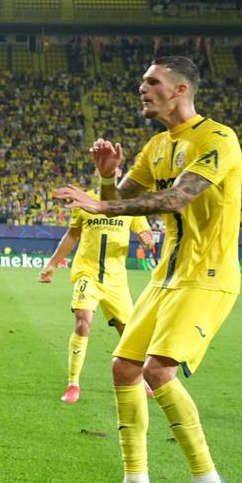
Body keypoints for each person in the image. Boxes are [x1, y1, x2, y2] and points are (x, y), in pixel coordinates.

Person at [54, 56, 241, 483]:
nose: (142, 87)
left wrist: (101, 200)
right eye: (142, 80)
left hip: (208, 274)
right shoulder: (157, 145)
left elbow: (179, 197)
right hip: (165, 275)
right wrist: (105, 177)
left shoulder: (216, 138)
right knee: (124, 367)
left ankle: (208, 481)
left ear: (180, 89)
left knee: (158, 369)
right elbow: (119, 204)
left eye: (152, 81)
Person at [39, 171, 155, 403]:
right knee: (83, 321)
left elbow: (145, 232)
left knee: (127, 333)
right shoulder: (85, 201)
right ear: (98, 174)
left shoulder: (130, 205)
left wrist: (147, 238)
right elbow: (71, 236)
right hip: (87, 274)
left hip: (116, 279)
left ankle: (139, 379)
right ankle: (73, 384)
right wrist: (52, 264)